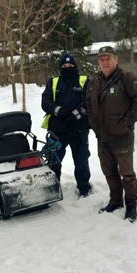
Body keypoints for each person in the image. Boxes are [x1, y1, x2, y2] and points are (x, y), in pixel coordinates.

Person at [86, 46, 137, 222]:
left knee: (127, 174)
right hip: (103, 137)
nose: (104, 62)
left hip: (122, 137)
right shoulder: (95, 80)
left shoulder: (127, 78)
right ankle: (115, 201)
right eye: (101, 59)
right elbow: (89, 104)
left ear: (116, 59)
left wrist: (127, 122)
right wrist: (93, 123)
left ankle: (131, 206)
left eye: (108, 58)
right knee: (109, 172)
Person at [41, 52, 92, 197]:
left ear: (75, 66)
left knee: (81, 159)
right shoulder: (54, 82)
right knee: (53, 159)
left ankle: (84, 189)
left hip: (78, 128)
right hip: (58, 128)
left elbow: (88, 101)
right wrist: (59, 111)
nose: (67, 67)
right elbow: (46, 101)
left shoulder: (84, 80)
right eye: (64, 65)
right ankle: (52, 187)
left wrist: (75, 114)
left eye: (70, 65)